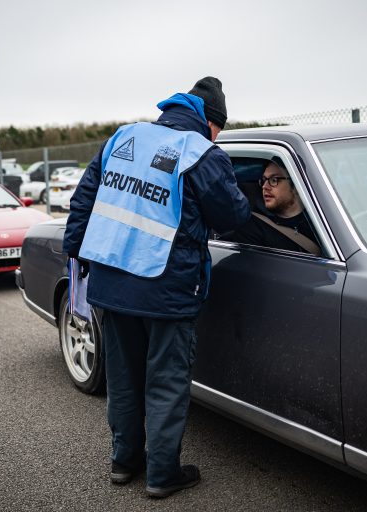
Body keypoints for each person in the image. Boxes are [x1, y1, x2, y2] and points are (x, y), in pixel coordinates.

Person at [63, 77, 251, 498]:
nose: (216, 136)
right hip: (167, 288)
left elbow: (84, 200)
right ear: (212, 120)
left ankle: (123, 462)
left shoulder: (123, 136)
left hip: (112, 281)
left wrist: (75, 257)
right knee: (166, 381)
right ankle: (163, 474)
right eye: (218, 128)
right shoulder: (201, 151)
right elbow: (232, 215)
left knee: (124, 378)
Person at [222, 158, 319, 253]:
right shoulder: (251, 228)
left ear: (296, 184)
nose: (265, 186)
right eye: (264, 180)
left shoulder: (320, 218)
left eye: (274, 180)